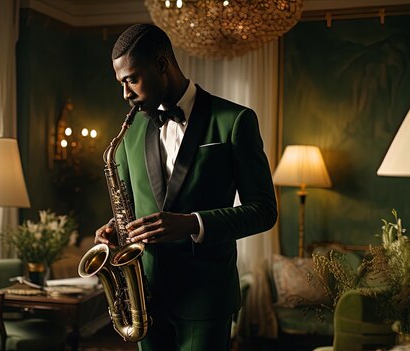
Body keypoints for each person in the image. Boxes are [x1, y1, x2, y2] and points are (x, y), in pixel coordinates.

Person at [94, 23, 278, 351]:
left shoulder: (235, 120)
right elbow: (132, 207)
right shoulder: (130, 128)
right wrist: (113, 228)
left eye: (131, 79)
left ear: (162, 64)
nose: (125, 94)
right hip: (145, 298)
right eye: (120, 83)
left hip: (206, 298)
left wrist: (193, 223)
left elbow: (263, 212)